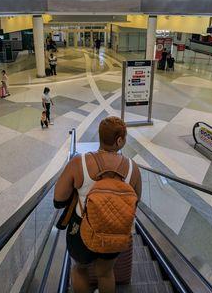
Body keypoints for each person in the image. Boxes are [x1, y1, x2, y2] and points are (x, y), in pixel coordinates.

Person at [54, 117, 142, 293]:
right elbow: (135, 201)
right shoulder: (133, 168)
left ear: (100, 137)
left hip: (80, 228)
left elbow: (58, 200)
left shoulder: (79, 163)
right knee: (106, 273)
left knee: (80, 269)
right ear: (119, 140)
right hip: (114, 231)